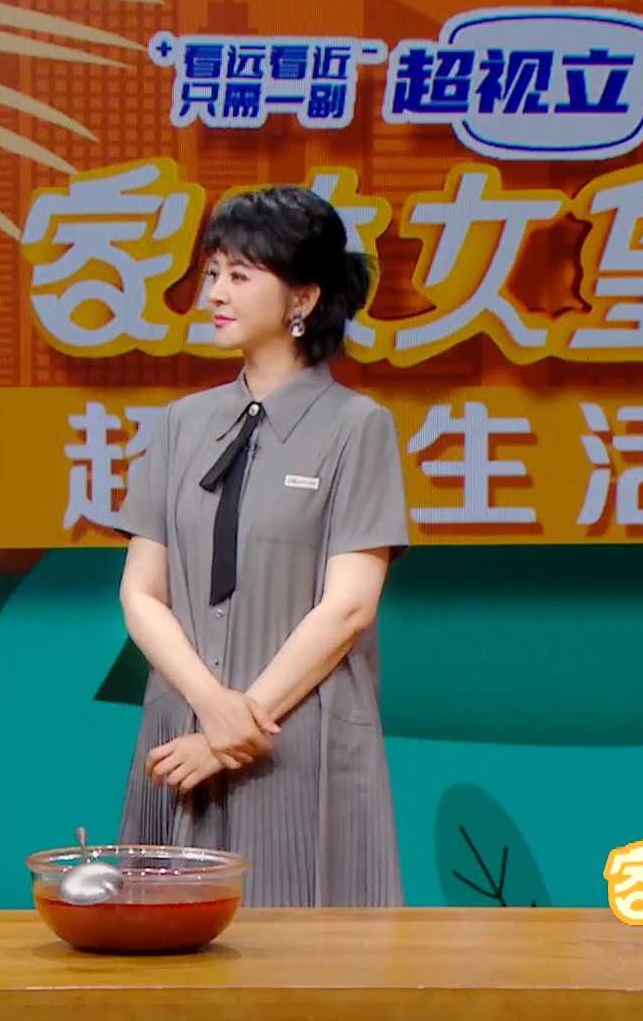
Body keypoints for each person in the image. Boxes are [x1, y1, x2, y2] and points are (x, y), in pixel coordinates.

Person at [114, 185, 410, 907]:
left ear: (303, 298)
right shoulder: (181, 424)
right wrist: (210, 705)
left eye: (240, 275)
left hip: (296, 739)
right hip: (180, 733)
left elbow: (349, 607)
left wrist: (235, 727)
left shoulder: (357, 427)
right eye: (214, 272)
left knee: (309, 954)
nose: (215, 292)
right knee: (167, 945)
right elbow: (141, 593)